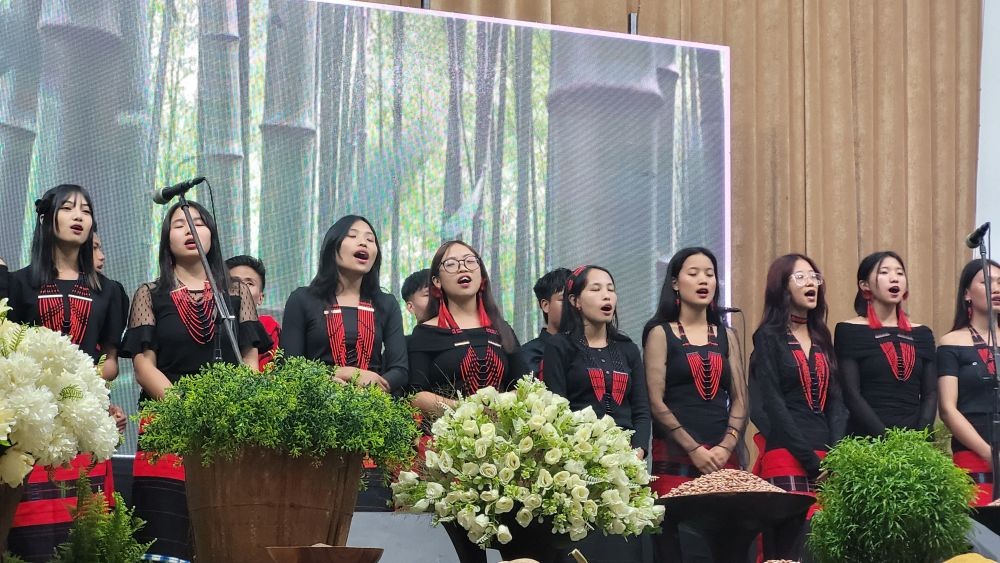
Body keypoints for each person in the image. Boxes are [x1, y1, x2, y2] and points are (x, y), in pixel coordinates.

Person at [120, 200, 271, 562]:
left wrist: (229, 403)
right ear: (165, 238)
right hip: (168, 424)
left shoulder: (235, 292)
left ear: (213, 234)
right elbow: (143, 366)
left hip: (226, 423)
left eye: (200, 223)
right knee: (165, 538)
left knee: (223, 535)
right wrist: (188, 410)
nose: (190, 230)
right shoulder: (149, 293)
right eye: (179, 225)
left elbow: (250, 356)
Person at [4, 185, 126, 562]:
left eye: (86, 211)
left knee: (85, 536)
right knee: (32, 538)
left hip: (83, 420)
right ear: (47, 218)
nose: (79, 217)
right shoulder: (19, 283)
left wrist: (83, 382)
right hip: (33, 421)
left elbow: (111, 361)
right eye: (69, 208)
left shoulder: (110, 291)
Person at [407, 240, 527, 563]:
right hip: (449, 458)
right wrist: (466, 410)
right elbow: (416, 394)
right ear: (436, 282)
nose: (463, 268)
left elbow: (527, 387)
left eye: (470, 262)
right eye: (451, 264)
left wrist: (500, 407)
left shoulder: (502, 329)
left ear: (482, 276)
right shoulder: (424, 334)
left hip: (505, 458)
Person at [281, 215, 408, 511]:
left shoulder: (386, 303)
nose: (364, 242)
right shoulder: (303, 299)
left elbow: (400, 369)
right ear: (333, 246)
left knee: (371, 518)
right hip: (315, 423)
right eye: (353, 235)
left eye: (371, 238)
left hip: (372, 422)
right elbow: (289, 366)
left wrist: (373, 383)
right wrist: (337, 374)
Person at [643, 247, 747, 562]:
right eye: (693, 273)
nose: (704, 280)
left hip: (721, 461)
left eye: (710, 274)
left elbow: (741, 397)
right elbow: (655, 401)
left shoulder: (727, 335)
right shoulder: (660, 333)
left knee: (727, 549)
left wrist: (727, 446)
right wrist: (695, 450)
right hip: (676, 461)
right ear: (675, 283)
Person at [541, 265, 650, 563]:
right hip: (580, 469)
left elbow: (641, 408)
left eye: (611, 289)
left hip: (628, 466)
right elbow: (557, 408)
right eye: (596, 289)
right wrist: (587, 456)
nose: (607, 296)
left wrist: (637, 451)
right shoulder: (559, 346)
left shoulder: (627, 349)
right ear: (575, 301)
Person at [749, 254, 846, 558]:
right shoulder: (768, 336)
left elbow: (837, 404)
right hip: (787, 455)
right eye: (800, 278)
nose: (811, 284)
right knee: (792, 547)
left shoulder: (822, 336)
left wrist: (836, 455)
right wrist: (810, 460)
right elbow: (773, 404)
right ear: (782, 287)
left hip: (826, 456)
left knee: (824, 547)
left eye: (814, 277)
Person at [834, 251, 936, 437]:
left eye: (899, 273)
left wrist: (919, 439)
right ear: (864, 285)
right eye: (884, 272)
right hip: (867, 441)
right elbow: (851, 394)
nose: (894, 278)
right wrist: (888, 440)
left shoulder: (923, 333)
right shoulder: (849, 330)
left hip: (915, 445)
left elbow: (930, 395)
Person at [938, 259, 1000, 506]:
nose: (997, 288)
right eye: (987, 282)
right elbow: (947, 409)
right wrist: (990, 455)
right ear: (966, 294)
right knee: (979, 540)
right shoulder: (951, 342)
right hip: (975, 456)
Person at [227, 254, 280, 371]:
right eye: (234, 282)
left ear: (261, 297)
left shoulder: (270, 329)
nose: (241, 288)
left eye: (249, 283)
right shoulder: (212, 327)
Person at [520, 267, 571, 376]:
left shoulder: (590, 350)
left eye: (575, 299)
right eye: (563, 299)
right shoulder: (528, 355)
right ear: (545, 305)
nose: (571, 305)